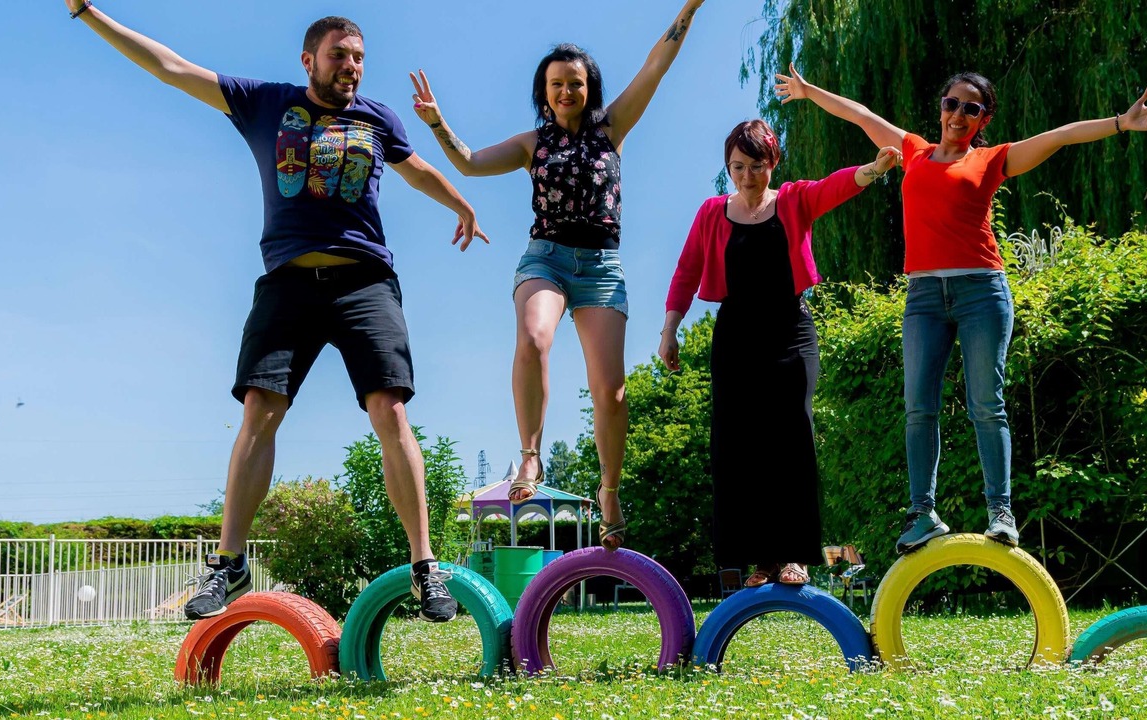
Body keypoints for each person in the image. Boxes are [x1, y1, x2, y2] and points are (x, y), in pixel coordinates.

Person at [66, 1, 490, 621]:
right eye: (340, 56)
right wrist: (88, 13)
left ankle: (425, 566)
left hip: (364, 281)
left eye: (360, 58)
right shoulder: (267, 103)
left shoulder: (377, 118)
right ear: (309, 60)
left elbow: (416, 168)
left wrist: (462, 204)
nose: (352, 67)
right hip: (288, 283)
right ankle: (228, 564)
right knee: (259, 410)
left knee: (389, 408)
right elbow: (171, 68)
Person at [775, 64, 1147, 554]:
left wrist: (1120, 122)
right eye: (952, 103)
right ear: (941, 108)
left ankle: (1001, 512)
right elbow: (858, 113)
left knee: (986, 404)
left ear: (983, 118)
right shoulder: (913, 151)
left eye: (972, 108)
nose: (959, 114)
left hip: (981, 292)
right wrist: (806, 89)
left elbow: (1059, 136)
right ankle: (922, 513)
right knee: (918, 409)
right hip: (924, 297)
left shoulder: (993, 160)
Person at [407, 0, 707, 550]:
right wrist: (437, 123)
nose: (565, 92)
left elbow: (655, 65)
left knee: (610, 393)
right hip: (544, 257)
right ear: (542, 91)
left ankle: (610, 490)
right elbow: (469, 162)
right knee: (533, 336)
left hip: (600, 266)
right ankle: (529, 456)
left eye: (574, 83)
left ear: (589, 86)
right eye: (555, 85)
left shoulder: (612, 128)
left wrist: (689, 8)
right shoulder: (532, 144)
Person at [660, 119, 900, 585]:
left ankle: (794, 555)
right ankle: (761, 560)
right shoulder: (712, 212)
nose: (747, 176)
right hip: (736, 336)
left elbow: (833, 188)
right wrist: (670, 329)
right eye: (737, 167)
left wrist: (873, 169)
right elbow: (686, 271)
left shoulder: (791, 200)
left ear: (772, 163)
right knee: (739, 447)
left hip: (790, 330)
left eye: (756, 166)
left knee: (792, 438)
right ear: (728, 167)